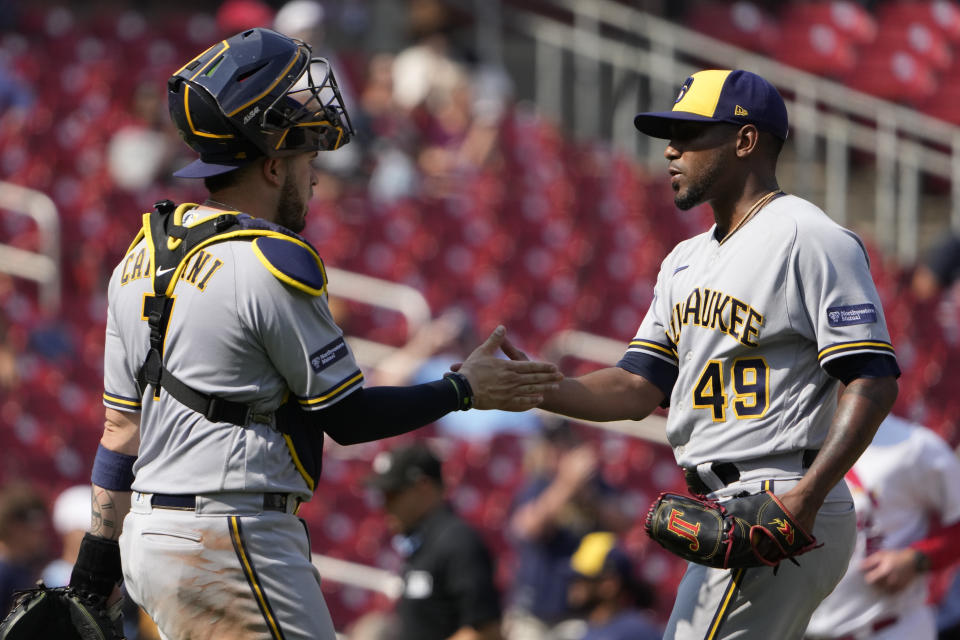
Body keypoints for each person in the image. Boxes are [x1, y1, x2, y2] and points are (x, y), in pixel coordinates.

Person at [71, 28, 561, 640]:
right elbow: (348, 418)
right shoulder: (270, 259)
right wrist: (463, 388)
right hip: (231, 537)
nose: (316, 180)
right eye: (307, 162)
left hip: (148, 539)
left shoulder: (136, 259)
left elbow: (121, 432)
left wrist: (92, 571)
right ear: (273, 166)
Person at [491, 69, 901, 638]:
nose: (670, 150)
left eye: (690, 134)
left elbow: (873, 379)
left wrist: (804, 500)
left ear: (745, 140)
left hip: (778, 499)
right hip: (727, 506)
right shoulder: (683, 260)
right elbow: (638, 386)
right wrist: (538, 387)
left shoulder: (810, 237)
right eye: (669, 135)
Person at [805, 414, 960, 640]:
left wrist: (915, 558)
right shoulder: (792, 441)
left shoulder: (915, 447)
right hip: (802, 631)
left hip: (890, 629)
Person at [504, 421, 629, 640]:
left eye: (562, 443)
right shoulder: (538, 484)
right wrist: (567, 485)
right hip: (533, 612)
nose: (556, 450)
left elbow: (623, 524)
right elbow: (528, 527)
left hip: (580, 611)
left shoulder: (595, 486)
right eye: (551, 443)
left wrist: (587, 495)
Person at [367, 443, 503, 640]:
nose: (384, 505)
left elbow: (486, 631)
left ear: (423, 487)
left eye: (392, 494)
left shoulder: (459, 541)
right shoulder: (422, 543)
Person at [564, 531, 661, 640]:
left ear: (610, 585)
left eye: (584, 579)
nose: (574, 585)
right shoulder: (581, 628)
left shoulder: (637, 631)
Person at [0, 483, 49, 616]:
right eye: (35, 521)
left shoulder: (26, 567)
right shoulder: (3, 571)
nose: (41, 529)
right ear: (13, 525)